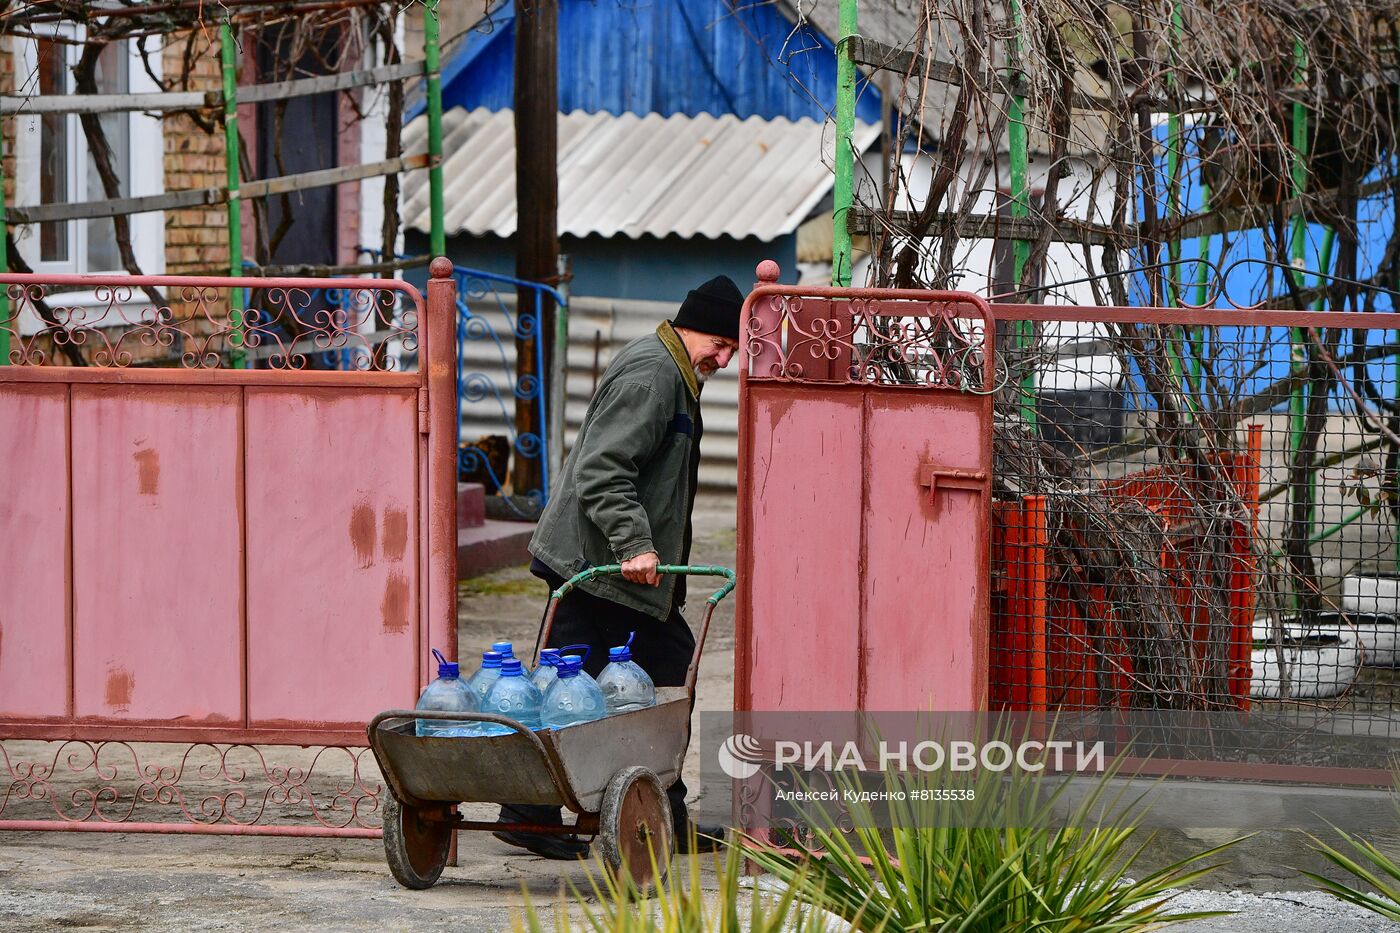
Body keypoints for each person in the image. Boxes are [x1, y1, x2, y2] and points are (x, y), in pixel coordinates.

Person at [494, 275, 745, 860]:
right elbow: (604, 469)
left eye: (733, 349)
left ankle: (634, 812)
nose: (725, 358)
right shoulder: (654, 376)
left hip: (608, 565)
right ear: (690, 324)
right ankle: (536, 814)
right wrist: (634, 544)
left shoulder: (673, 372)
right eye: (719, 342)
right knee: (620, 684)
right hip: (601, 565)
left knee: (603, 684)